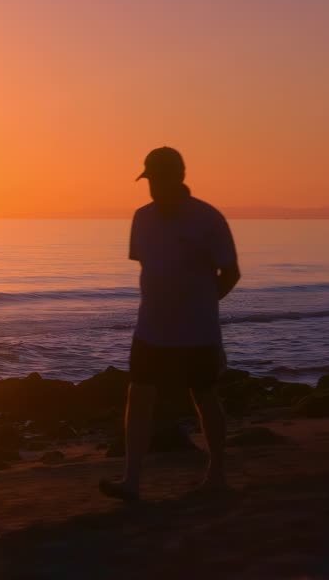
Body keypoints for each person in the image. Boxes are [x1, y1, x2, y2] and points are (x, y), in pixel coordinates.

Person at [100, 147, 240, 503]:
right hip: (151, 327)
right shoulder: (142, 218)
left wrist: (204, 305)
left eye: (159, 180)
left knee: (205, 396)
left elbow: (231, 272)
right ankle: (131, 479)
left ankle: (217, 475)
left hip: (198, 330)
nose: (153, 188)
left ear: (178, 177)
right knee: (140, 395)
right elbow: (151, 266)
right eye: (149, 181)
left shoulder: (207, 218)